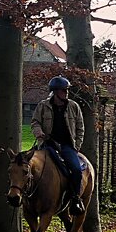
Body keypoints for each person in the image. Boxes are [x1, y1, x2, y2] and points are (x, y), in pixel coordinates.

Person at [31, 75, 86, 215]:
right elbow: (35, 122)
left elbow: (80, 127)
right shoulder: (43, 106)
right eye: (63, 90)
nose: (66, 93)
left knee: (76, 169)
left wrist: (76, 146)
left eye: (67, 90)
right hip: (47, 144)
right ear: (55, 92)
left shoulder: (74, 106)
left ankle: (75, 199)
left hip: (67, 146)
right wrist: (38, 132)